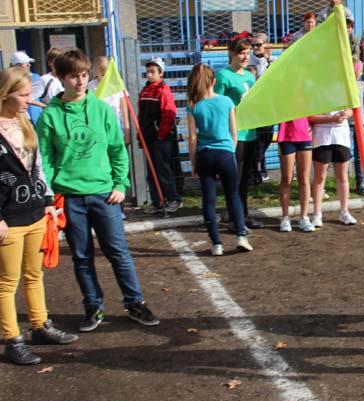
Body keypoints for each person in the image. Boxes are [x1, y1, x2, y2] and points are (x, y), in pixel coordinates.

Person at [36, 49, 160, 332]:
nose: (80, 82)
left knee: (118, 251)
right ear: (61, 78)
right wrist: (52, 196)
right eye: (73, 77)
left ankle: (135, 302)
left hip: (104, 194)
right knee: (81, 255)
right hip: (70, 197)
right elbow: (44, 160)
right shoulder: (50, 116)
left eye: (83, 75)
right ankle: (93, 306)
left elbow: (117, 149)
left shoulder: (101, 109)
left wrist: (120, 184)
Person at [0, 67, 78, 365]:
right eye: (22, 95)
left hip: (34, 212)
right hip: (8, 219)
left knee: (34, 275)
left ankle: (40, 325)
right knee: (7, 282)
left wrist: (47, 200)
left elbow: (38, 166)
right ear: (5, 95)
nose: (28, 100)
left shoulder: (24, 124)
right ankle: (12, 339)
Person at [186, 64, 253, 255]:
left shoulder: (192, 104)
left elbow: (192, 138)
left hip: (205, 154)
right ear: (213, 82)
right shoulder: (226, 102)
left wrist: (193, 162)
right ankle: (241, 235)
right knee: (233, 195)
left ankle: (216, 244)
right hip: (225, 153)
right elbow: (234, 133)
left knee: (209, 200)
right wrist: (230, 152)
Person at [214, 38, 264, 230]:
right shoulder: (223, 76)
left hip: (250, 132)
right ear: (232, 54)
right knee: (234, 178)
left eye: (247, 52)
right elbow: (217, 104)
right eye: (241, 53)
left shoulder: (249, 77)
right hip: (234, 134)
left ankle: (243, 214)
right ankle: (235, 217)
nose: (245, 57)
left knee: (245, 179)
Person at [88, 56, 132, 220]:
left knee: (118, 166)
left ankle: (119, 205)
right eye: (100, 74)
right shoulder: (91, 87)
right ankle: (102, 202)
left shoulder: (117, 86)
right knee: (103, 166)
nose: (103, 77)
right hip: (98, 133)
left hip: (115, 132)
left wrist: (127, 131)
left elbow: (124, 111)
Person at [138, 56, 182, 214]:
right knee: (151, 171)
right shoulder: (144, 91)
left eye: (152, 72)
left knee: (163, 169)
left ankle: (174, 198)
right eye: (147, 72)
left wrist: (161, 134)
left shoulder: (163, 90)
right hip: (148, 136)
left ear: (160, 73)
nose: (149, 75)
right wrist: (140, 134)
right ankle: (157, 201)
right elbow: (142, 115)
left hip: (161, 138)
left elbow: (169, 114)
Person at [309, 109, 358, 227]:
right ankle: (316, 213)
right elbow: (310, 116)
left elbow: (352, 109)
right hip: (322, 137)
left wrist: (347, 113)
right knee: (320, 177)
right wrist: (331, 118)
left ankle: (344, 211)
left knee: (342, 176)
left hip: (341, 136)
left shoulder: (343, 91)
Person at [277, 117, 315, 233]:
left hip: (304, 136)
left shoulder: (304, 98)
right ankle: (285, 217)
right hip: (286, 136)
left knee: (304, 178)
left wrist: (312, 126)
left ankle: (304, 217)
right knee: (286, 179)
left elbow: (312, 112)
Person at [249, 33, 275, 183]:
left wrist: (268, 60)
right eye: (254, 45)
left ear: (266, 46)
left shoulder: (272, 61)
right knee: (256, 141)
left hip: (269, 106)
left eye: (258, 45)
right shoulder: (250, 61)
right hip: (254, 107)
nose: (255, 48)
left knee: (266, 139)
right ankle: (256, 172)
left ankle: (260, 168)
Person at [350, 60, 364, 196]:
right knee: (345, 155)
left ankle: (360, 182)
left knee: (359, 155)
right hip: (347, 123)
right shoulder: (346, 85)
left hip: (360, 123)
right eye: (357, 71)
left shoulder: (362, 85)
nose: (359, 74)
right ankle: (344, 181)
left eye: (360, 72)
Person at [9, 51, 42, 125]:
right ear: (16, 65)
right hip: (22, 119)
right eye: (25, 63)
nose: (29, 65)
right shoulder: (10, 80)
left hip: (38, 119)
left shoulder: (36, 77)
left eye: (29, 63)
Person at [30, 47, 64, 113]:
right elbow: (28, 98)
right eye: (57, 61)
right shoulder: (46, 79)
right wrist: (46, 106)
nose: (61, 65)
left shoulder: (67, 79)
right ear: (50, 63)